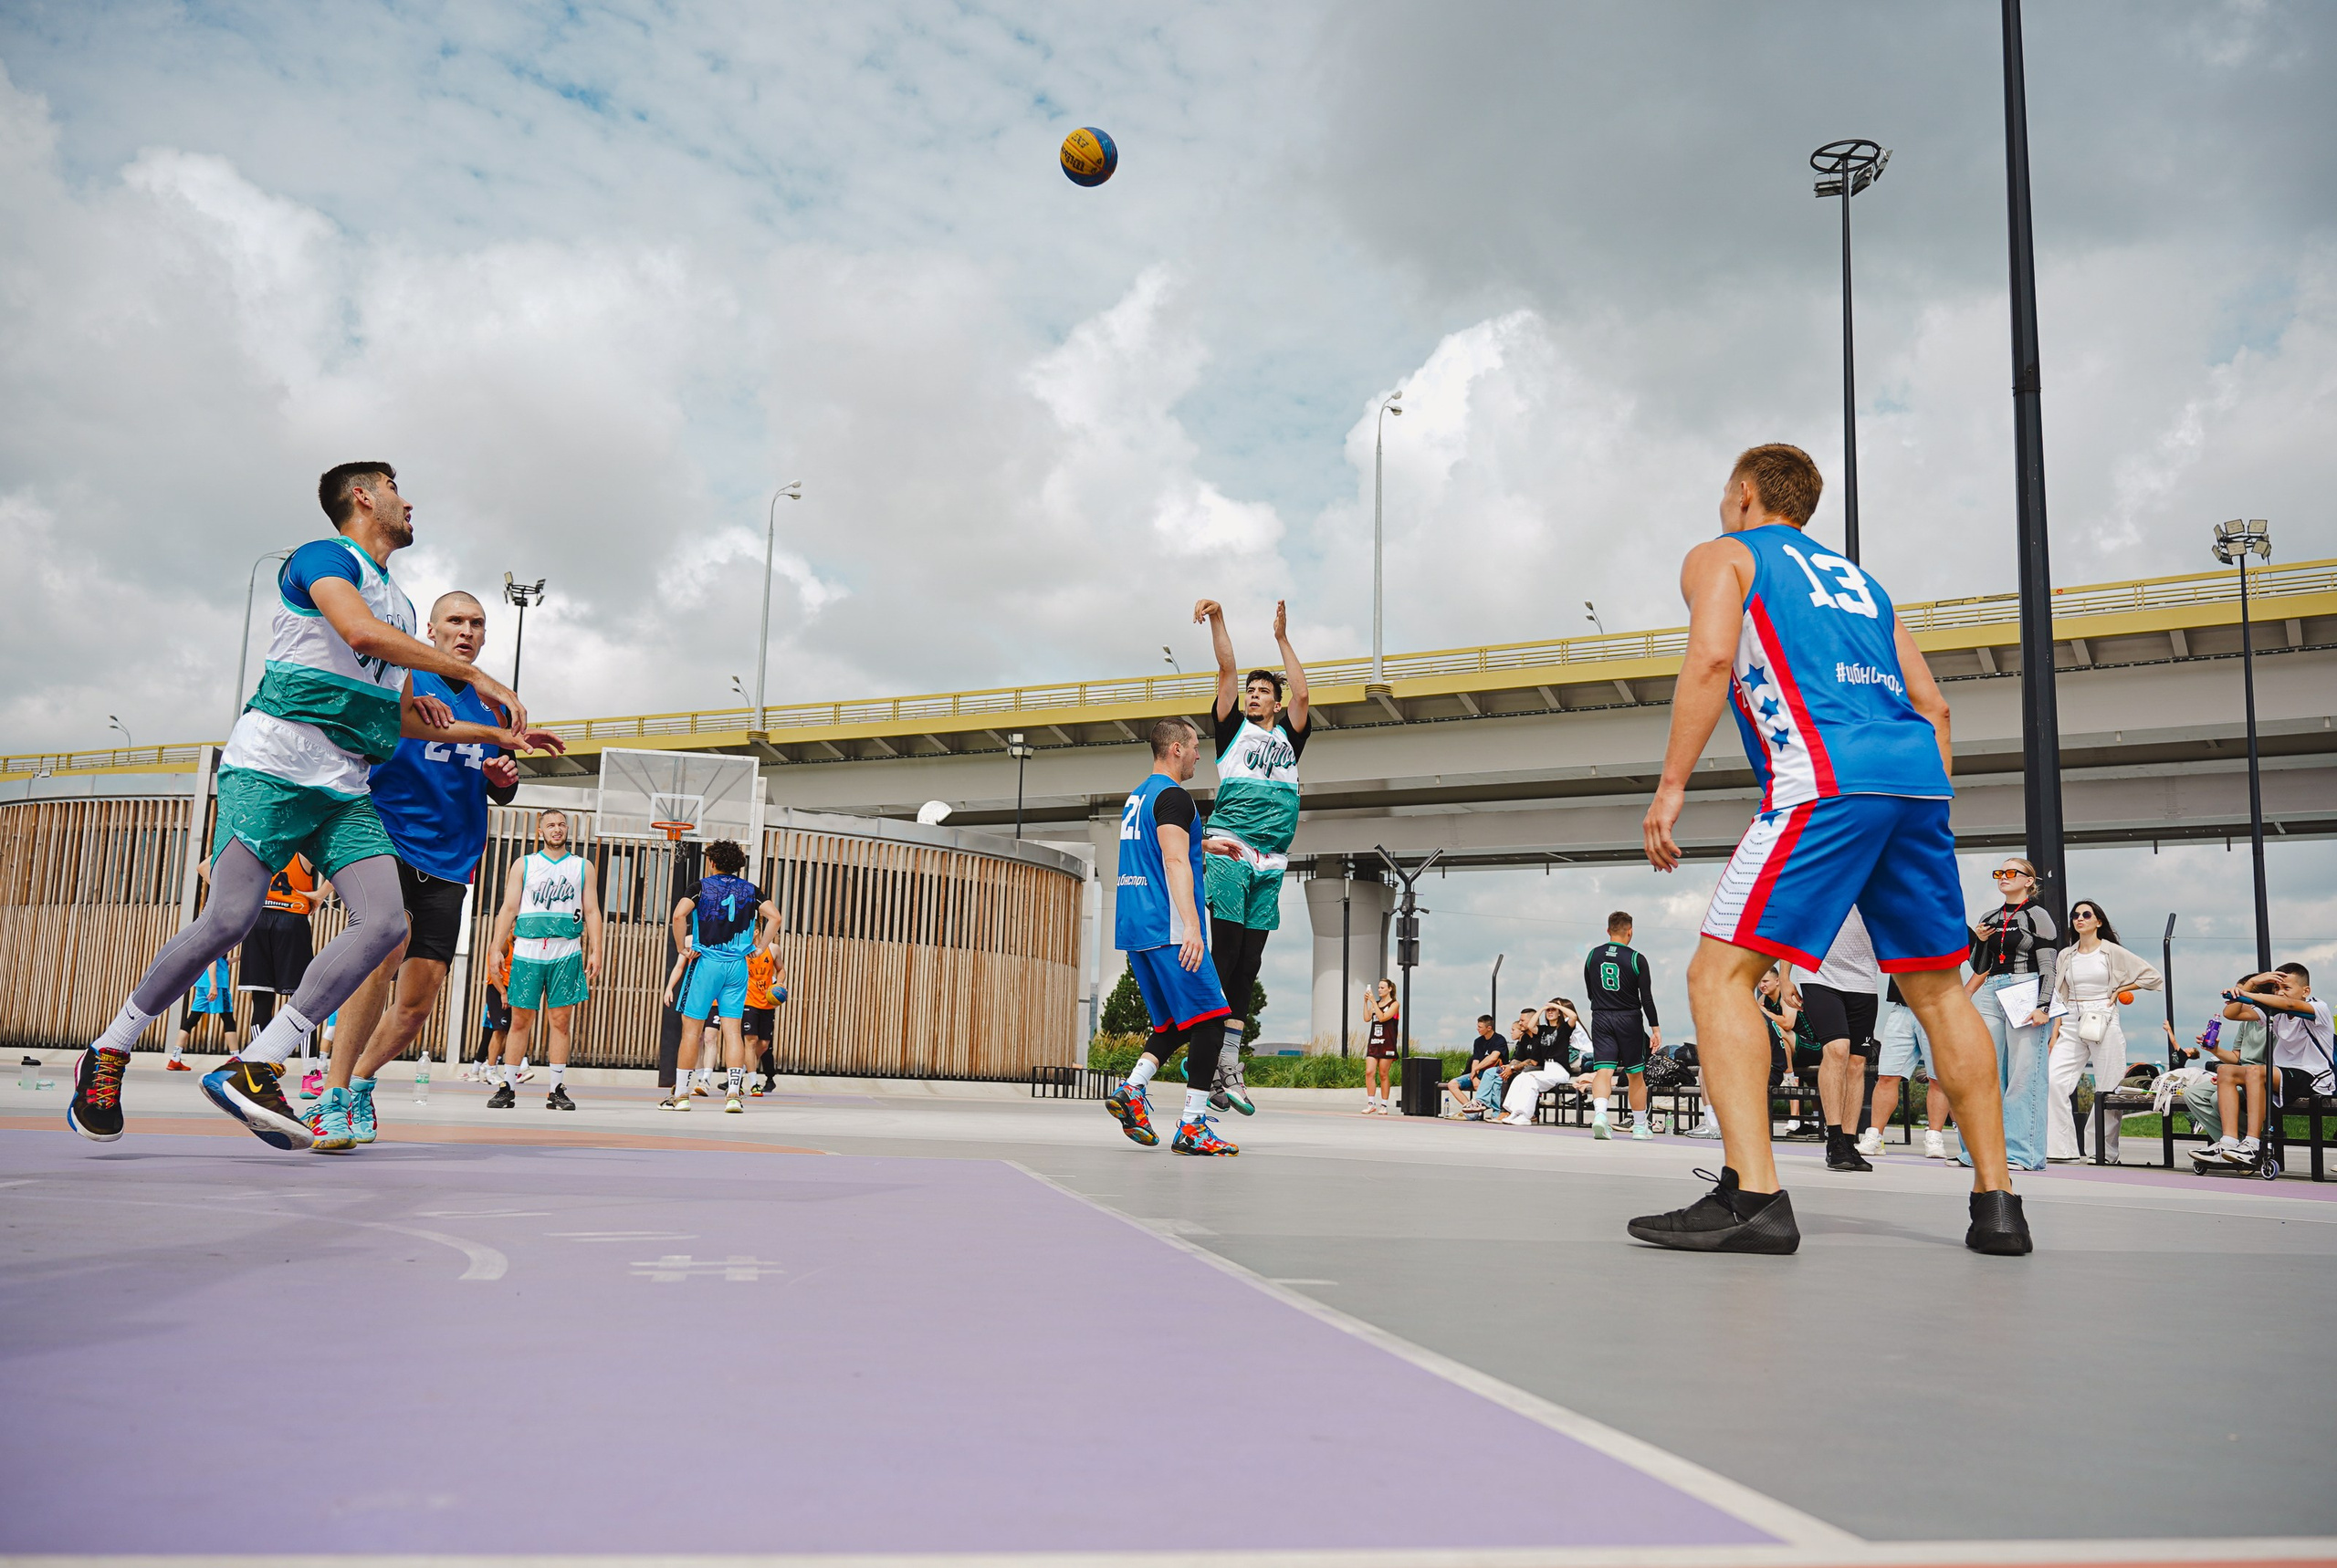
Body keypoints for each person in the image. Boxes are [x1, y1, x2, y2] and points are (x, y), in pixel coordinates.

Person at [1631, 443, 2024, 1255]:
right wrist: (1916, 804)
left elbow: (1709, 658)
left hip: (1823, 776)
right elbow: (1936, 706)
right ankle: (1998, 1207)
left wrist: (1671, 786)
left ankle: (1755, 1197)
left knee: (1718, 975)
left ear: (1744, 492)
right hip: (1915, 782)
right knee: (1939, 991)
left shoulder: (1724, 556)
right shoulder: (1864, 586)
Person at [68, 462, 528, 1151]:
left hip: (343, 782)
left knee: (384, 925)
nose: (411, 502)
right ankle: (109, 1049)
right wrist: (471, 673)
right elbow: (358, 633)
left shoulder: (402, 609)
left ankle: (255, 1063)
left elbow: (401, 715)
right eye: (398, 489)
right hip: (275, 765)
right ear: (365, 497)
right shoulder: (322, 559)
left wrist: (492, 730)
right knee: (229, 918)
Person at [313, 590, 560, 1147]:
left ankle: (358, 1084)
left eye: (476, 623)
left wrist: (504, 779)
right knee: (383, 952)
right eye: (455, 621)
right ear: (431, 630)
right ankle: (329, 1096)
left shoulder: (494, 703)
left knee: (416, 1006)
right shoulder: (402, 681)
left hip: (452, 860)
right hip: (389, 839)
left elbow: (499, 783)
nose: (466, 631)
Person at [1099, 717, 1241, 1155]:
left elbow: (1160, 845)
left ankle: (1132, 1090)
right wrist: (1193, 928)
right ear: (1176, 748)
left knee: (1176, 1024)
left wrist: (1204, 843)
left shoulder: (1139, 796)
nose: (1201, 754)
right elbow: (1174, 861)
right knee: (1214, 1019)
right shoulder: (1176, 796)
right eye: (1196, 746)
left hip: (1135, 928)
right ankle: (1193, 1125)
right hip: (1170, 929)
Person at [1192, 596, 1310, 1118]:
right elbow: (1226, 668)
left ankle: (1230, 1064)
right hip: (1231, 848)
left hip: (1271, 860)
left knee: (1251, 963)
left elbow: (1304, 692)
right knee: (1228, 952)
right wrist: (1218, 619)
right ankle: (1208, 1055)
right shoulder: (1231, 730)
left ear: (1277, 704)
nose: (1255, 696)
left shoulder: (1289, 738)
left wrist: (1283, 639)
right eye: (1252, 692)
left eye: (1265, 692)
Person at [480, 808, 602, 1110]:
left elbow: (592, 911)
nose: (557, 829)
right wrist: (496, 947)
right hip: (527, 949)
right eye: (550, 825)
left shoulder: (582, 866)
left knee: (560, 1021)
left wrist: (598, 949)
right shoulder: (524, 864)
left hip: (567, 948)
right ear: (540, 832)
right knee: (520, 1019)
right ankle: (507, 1086)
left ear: (567, 830)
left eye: (561, 824)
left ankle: (556, 1089)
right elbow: (508, 908)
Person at [657, 840, 779, 1113]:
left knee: (691, 1031)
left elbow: (678, 916)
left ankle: (681, 1096)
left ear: (712, 862)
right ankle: (734, 1095)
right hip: (737, 966)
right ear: (737, 866)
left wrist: (681, 948)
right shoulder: (751, 890)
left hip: (708, 963)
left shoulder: (700, 887)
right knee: (733, 1032)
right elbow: (775, 917)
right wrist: (759, 949)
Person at [2042, 899, 2161, 1163]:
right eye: (2075, 915)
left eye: (2086, 914)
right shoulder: (2066, 955)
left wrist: (2120, 989)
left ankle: (2102, 1152)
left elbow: (2153, 977)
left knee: (2107, 1087)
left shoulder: (2112, 952)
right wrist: (2057, 1027)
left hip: (2103, 1016)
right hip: (2071, 1018)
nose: (2079, 918)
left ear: (2099, 921)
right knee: (2053, 1080)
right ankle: (2061, 1149)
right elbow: (2060, 995)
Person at [1966, 857, 2059, 1172]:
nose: (2003, 877)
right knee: (1983, 1071)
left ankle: (2022, 1153)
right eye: (1999, 873)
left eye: (2010, 873)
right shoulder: (1989, 916)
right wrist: (1978, 942)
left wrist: (2043, 1005)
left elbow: (2048, 963)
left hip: (2025, 987)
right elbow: (1980, 966)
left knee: (2024, 1073)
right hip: (1991, 990)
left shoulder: (2037, 915)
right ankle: (1979, 1152)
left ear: (2029, 881)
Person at [1786, 906, 1883, 1171]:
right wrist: (1785, 977)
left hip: (1863, 980)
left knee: (1857, 1062)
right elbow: (1796, 922)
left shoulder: (1877, 878)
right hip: (1819, 974)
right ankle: (1835, 1138)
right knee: (1838, 1049)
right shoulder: (1826, 871)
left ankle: (1849, 1143)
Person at [1584, 912, 1661, 1141]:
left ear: (1607, 930)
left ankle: (1600, 1116)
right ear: (1630, 931)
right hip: (1629, 1018)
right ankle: (1639, 1127)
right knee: (1635, 1073)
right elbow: (1646, 998)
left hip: (1601, 1016)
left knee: (1603, 1070)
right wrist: (1655, 1028)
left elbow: (1590, 991)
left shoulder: (1592, 955)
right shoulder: (1637, 958)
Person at [2185, 974, 2277, 1166]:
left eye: (2238, 994)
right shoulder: (2246, 1023)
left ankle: (2245, 1142)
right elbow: (2237, 1057)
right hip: (2240, 1074)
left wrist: (2235, 1077)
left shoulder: (2272, 1020)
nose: (2231, 999)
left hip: (2259, 1078)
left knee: (2217, 1098)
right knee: (2192, 1094)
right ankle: (2231, 1144)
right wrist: (2215, 1050)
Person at [1863, 977, 1953, 1160]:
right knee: (1887, 1076)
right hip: (1902, 1008)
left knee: (1938, 1078)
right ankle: (1874, 1136)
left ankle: (1934, 1137)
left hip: (1936, 1007)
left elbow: (1978, 960)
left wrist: (1967, 991)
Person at [1501, 999, 1582, 1126]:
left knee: (1530, 1080)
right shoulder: (1543, 1029)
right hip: (1547, 1069)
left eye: (1553, 1010)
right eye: (1548, 1011)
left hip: (1560, 1070)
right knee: (1521, 1078)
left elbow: (1573, 1016)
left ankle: (1526, 1116)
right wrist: (1542, 1009)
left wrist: (1556, 1006)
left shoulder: (1564, 1029)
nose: (1550, 1012)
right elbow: (1530, 1026)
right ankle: (1514, 1112)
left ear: (1559, 1013)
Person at [168, 956, 236, 1068]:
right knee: (228, 1019)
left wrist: (238, 958)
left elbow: (221, 962)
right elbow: (212, 960)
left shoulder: (209, 942)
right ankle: (236, 1059)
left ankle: (175, 1058)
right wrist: (214, 985)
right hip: (217, 985)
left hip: (202, 983)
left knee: (192, 1019)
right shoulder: (219, 941)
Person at [466, 935, 513, 1082]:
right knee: (498, 1030)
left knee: (508, 1032)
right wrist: (503, 993)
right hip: (498, 990)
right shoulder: (502, 944)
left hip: (511, 991)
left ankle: (489, 1065)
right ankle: (490, 1071)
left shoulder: (515, 945)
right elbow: (494, 971)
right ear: (512, 927)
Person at [743, 942, 787, 1094]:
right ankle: (753, 1083)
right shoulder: (742, 948)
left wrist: (779, 984)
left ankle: (739, 1071)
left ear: (756, 931)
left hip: (767, 1002)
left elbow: (781, 970)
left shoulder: (773, 948)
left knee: (763, 1045)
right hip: (748, 1001)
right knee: (751, 1040)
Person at [1443, 1015, 1507, 1118]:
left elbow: (1493, 1058)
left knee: (1486, 1084)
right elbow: (1475, 1060)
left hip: (1495, 1073)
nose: (1477, 1029)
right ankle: (1472, 1110)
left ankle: (1493, 1112)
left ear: (1489, 1028)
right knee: (1452, 1084)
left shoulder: (1499, 1040)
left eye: (1480, 1027)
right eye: (1477, 1026)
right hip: (1478, 1073)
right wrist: (1474, 1077)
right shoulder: (1478, 1041)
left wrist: (1475, 1070)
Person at [1361, 979, 1399, 1113]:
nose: (1379, 990)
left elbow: (1383, 1017)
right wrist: (1366, 1002)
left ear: (1389, 989)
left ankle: (1384, 1104)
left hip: (1387, 1043)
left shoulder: (1394, 1004)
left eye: (1383, 987)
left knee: (1383, 1073)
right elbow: (1367, 1018)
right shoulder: (1375, 1003)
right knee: (1369, 1072)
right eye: (1378, 987)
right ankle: (1371, 1103)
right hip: (1374, 1042)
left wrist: (1373, 1003)